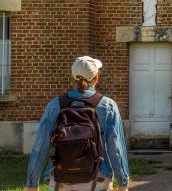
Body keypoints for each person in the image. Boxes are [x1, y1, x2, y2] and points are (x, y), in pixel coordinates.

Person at [25, 56, 129, 191]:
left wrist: (32, 184)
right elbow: (116, 148)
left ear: (73, 78)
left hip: (60, 178)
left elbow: (40, 147)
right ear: (96, 77)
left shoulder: (55, 105)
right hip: (98, 179)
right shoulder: (107, 106)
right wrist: (123, 183)